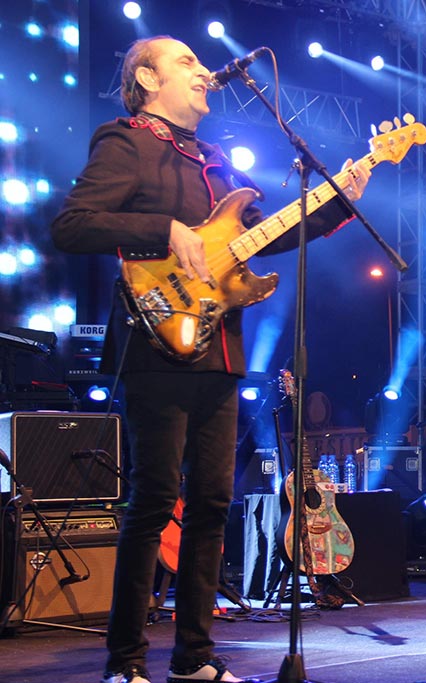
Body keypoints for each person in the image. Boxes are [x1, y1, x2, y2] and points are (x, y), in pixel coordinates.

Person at [50, 36, 370, 683]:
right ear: (146, 77)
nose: (203, 72)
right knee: (153, 500)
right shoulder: (126, 140)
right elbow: (73, 224)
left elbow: (256, 240)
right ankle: (126, 662)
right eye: (186, 63)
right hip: (154, 340)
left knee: (213, 501)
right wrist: (162, 230)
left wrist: (339, 199)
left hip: (220, 350)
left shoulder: (215, 161)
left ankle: (194, 655)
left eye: (201, 62)